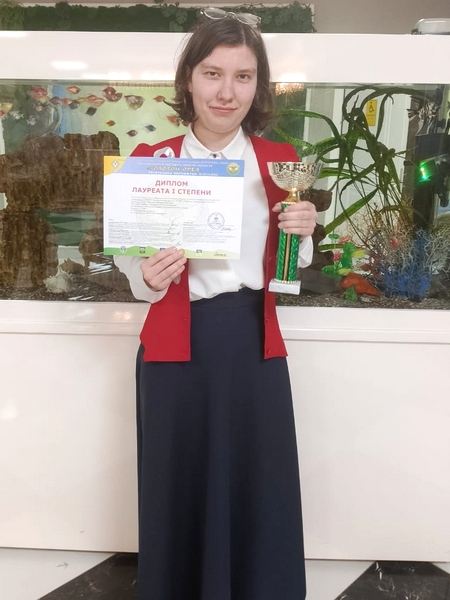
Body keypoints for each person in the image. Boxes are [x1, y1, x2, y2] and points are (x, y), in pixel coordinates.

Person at [114, 10, 317, 600]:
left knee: (260, 480)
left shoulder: (280, 161)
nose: (227, 92)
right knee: (177, 481)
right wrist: (145, 275)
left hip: (253, 342)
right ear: (189, 79)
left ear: (258, 86)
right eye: (212, 73)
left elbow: (290, 269)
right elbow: (132, 266)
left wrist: (303, 234)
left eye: (243, 76)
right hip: (177, 344)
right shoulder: (151, 161)